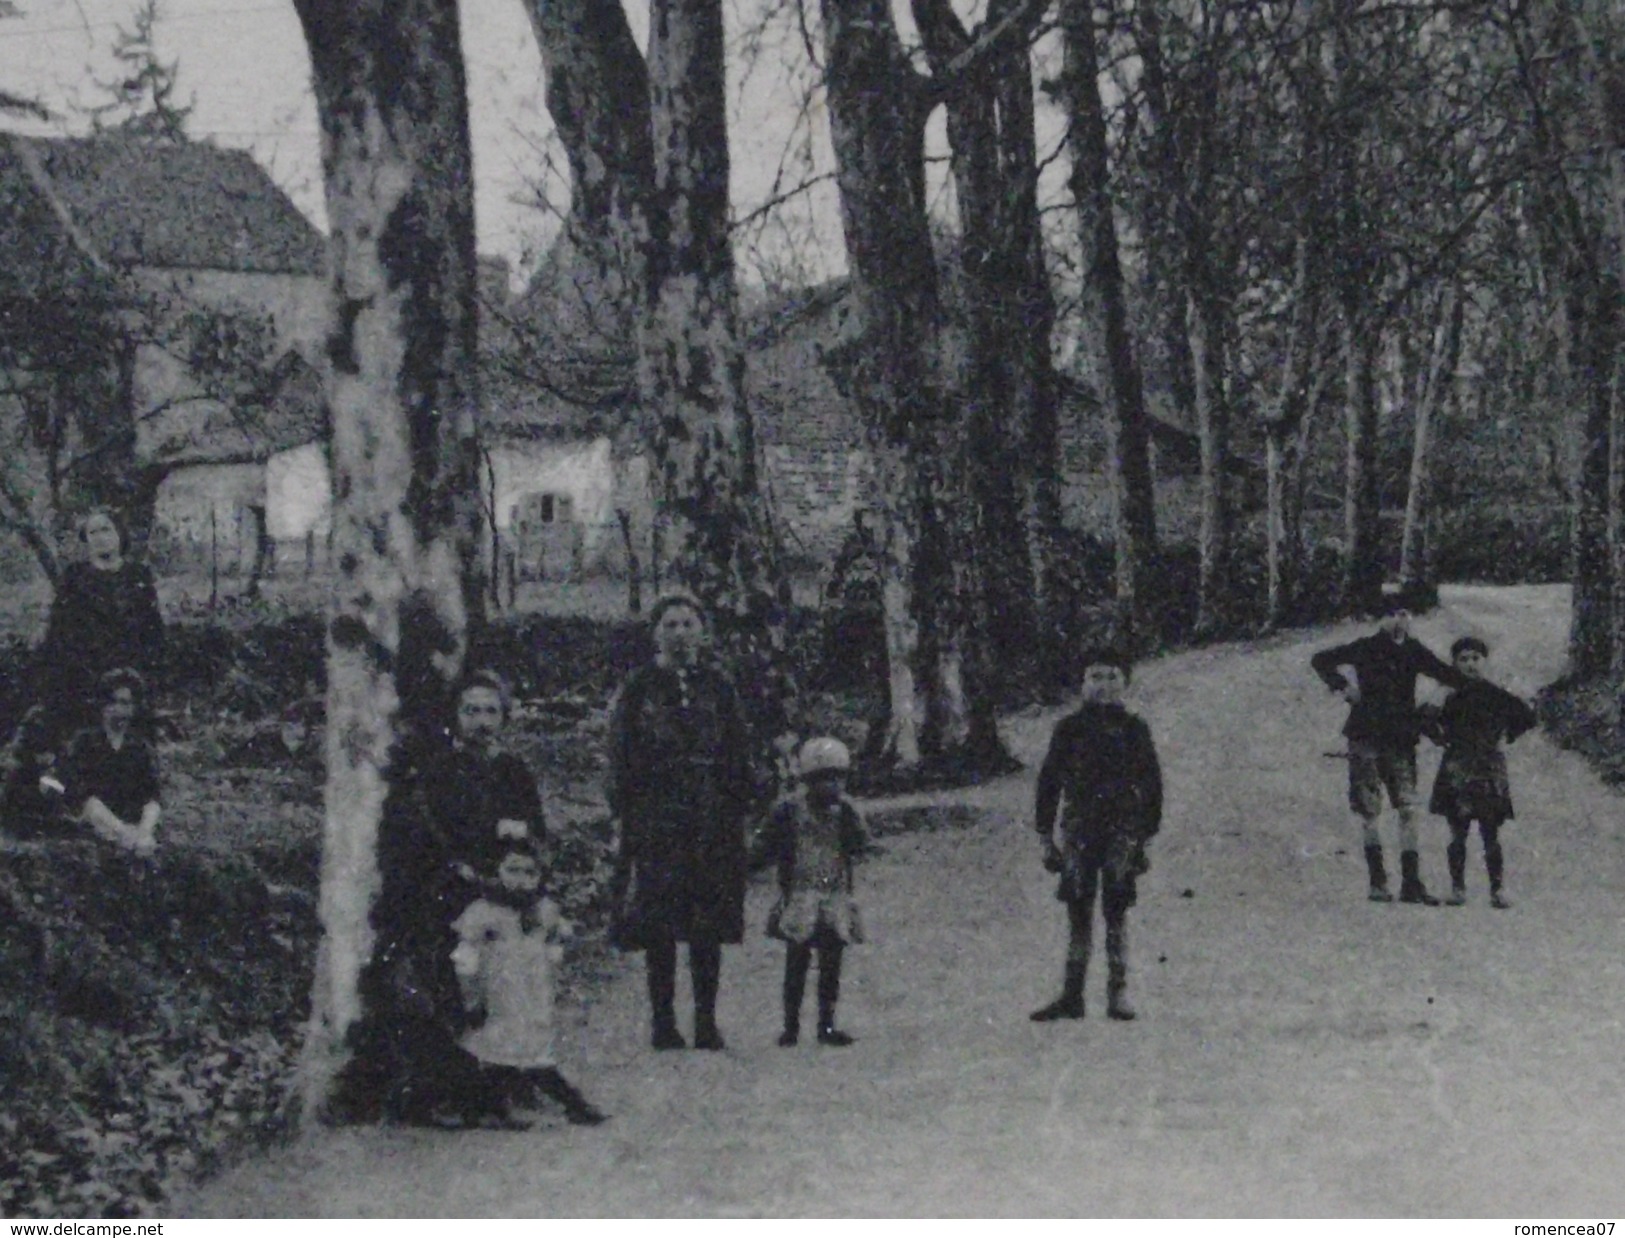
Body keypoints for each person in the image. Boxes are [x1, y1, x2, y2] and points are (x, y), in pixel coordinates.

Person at [361, 668, 549, 1124]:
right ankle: (449, 1090)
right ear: (455, 717)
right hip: (448, 892)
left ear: (503, 718)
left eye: (490, 711)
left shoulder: (513, 771)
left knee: (508, 985)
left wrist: (522, 864)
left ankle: (505, 1085)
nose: (481, 721)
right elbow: (418, 839)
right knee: (450, 986)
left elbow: (537, 835)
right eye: (471, 711)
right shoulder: (439, 771)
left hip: (504, 892)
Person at [607, 590, 756, 1052]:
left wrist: (738, 806)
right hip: (656, 815)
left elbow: (736, 749)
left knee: (707, 921)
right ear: (655, 632)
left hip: (710, 815)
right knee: (660, 922)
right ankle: (663, 1022)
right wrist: (625, 813)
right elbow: (620, 753)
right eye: (669, 624)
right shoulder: (639, 687)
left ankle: (706, 1021)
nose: (679, 633)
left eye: (688, 624)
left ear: (702, 632)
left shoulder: (719, 686)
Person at [5, 507, 164, 830]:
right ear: (85, 541)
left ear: (120, 535)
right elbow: (59, 635)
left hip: (128, 680)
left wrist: (144, 676)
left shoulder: (138, 577)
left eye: (106, 530)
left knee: (127, 744)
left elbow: (153, 634)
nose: (101, 538)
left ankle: (124, 811)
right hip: (82, 679)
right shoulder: (75, 578)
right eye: (93, 533)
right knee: (78, 746)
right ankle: (75, 809)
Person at [1030, 649, 1162, 1023]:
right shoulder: (1068, 730)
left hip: (1122, 831)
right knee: (1078, 909)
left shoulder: (1135, 730)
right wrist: (1045, 837)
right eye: (1094, 677)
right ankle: (1072, 996)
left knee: (1117, 908)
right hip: (1079, 831)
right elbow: (1049, 783)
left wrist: (1145, 839)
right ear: (1081, 684)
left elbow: (1153, 785)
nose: (1103, 686)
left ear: (1125, 683)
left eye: (1111, 677)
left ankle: (1117, 994)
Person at [1311, 596, 1466, 905]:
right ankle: (1378, 882)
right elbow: (1321, 660)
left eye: (1405, 614)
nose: (1399, 620)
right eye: (1392, 614)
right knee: (1370, 810)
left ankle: (1411, 883)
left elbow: (1451, 677)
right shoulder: (1366, 647)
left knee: (1408, 808)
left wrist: (1435, 699)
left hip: (1401, 738)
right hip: (1365, 735)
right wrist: (1344, 688)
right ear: (1380, 619)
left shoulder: (1414, 650)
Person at [450, 838, 607, 1127]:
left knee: (528, 1045)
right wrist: (471, 994)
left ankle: (484, 1109)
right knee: (504, 1047)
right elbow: (466, 957)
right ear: (497, 871)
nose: (521, 881)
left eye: (529, 873)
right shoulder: (484, 911)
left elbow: (554, 944)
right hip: (500, 990)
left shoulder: (544, 909)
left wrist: (555, 961)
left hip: (534, 989)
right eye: (513, 871)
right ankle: (571, 1105)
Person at [758, 736, 867, 1048]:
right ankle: (790, 1025)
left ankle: (826, 1024)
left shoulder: (846, 812)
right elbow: (765, 844)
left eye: (837, 778)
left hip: (833, 894)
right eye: (822, 779)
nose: (831, 787)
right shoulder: (789, 811)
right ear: (808, 781)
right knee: (797, 962)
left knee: (831, 963)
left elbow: (860, 844)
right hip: (801, 893)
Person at [1421, 637, 1537, 909]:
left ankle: (1497, 890)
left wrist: (1507, 737)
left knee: (1491, 832)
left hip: (1488, 767)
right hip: (1457, 766)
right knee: (1457, 831)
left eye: (1475, 658)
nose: (1470, 664)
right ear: (1454, 663)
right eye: (1463, 659)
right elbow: (1423, 719)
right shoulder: (1447, 694)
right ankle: (1457, 889)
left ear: (1484, 661)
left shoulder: (1495, 693)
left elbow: (1527, 716)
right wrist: (1440, 738)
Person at [53, 667, 161, 857]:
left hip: (132, 823)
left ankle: (138, 840)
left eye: (125, 703)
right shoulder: (84, 743)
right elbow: (80, 795)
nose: (118, 709)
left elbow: (152, 796)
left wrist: (144, 832)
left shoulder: (140, 748)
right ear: (103, 705)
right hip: (92, 820)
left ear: (134, 708)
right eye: (112, 702)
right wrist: (122, 830)